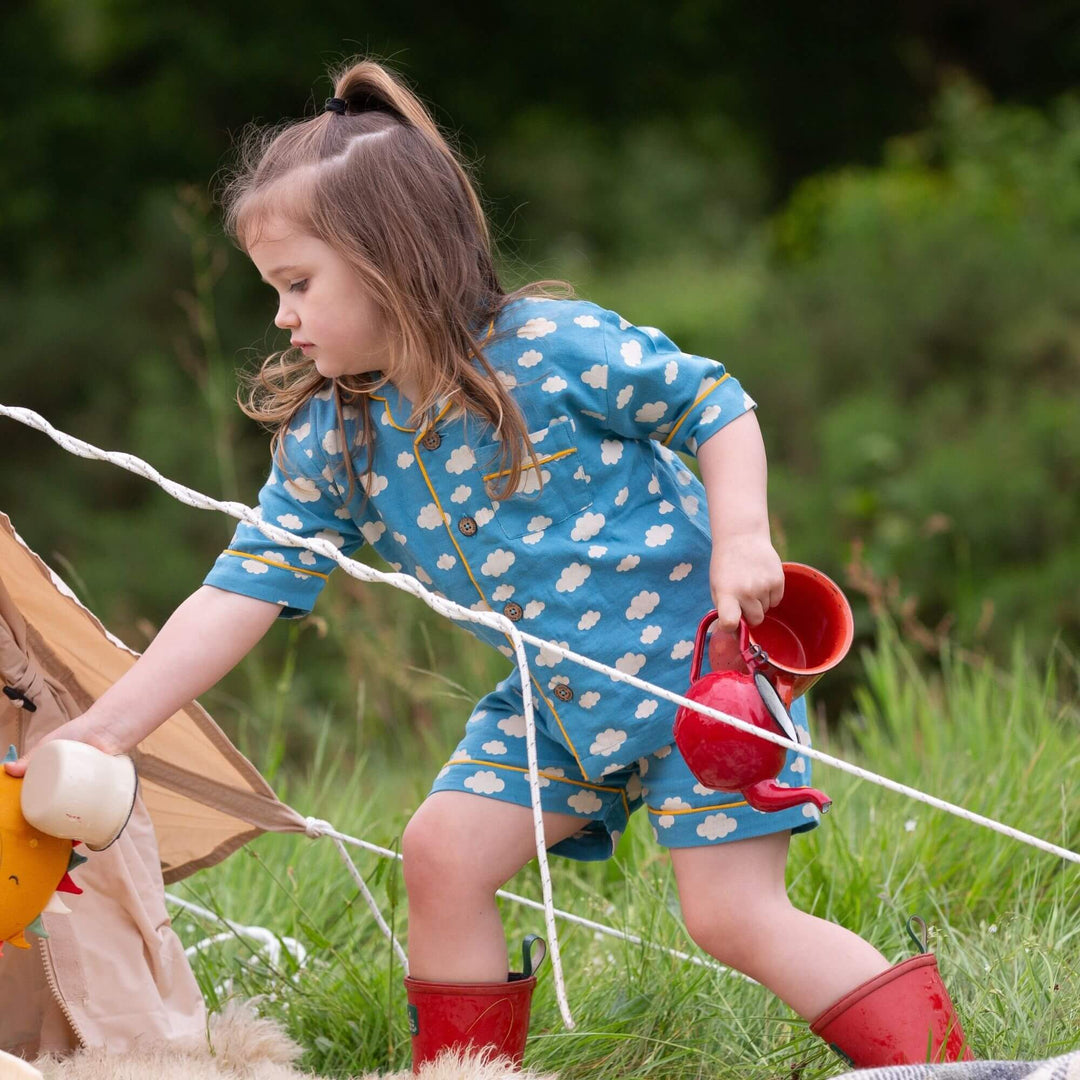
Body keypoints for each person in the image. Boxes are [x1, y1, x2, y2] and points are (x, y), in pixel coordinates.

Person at [5, 59, 973, 1071]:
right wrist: (108, 731)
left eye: (298, 285)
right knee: (442, 854)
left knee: (731, 917)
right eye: (273, 291)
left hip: (705, 683)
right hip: (546, 706)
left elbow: (714, 405)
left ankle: (945, 1071)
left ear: (391, 261)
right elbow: (241, 588)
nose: (283, 316)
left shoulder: (555, 349)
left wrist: (742, 538)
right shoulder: (337, 439)